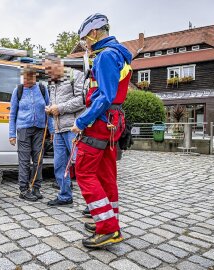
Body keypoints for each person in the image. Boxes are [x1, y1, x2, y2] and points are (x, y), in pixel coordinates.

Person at [71, 13, 133, 248]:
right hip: (112, 122)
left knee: (84, 171)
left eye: (85, 39)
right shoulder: (118, 53)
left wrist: (81, 121)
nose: (85, 44)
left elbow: (104, 96)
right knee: (107, 174)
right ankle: (109, 219)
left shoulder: (105, 56)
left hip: (99, 121)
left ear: (94, 33)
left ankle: (107, 229)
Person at [43, 54, 85, 206]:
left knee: (81, 165)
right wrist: (51, 111)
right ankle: (65, 196)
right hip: (59, 130)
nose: (47, 72)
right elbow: (55, 106)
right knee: (59, 165)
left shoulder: (75, 76)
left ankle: (91, 202)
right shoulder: (52, 83)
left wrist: (59, 108)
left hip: (73, 128)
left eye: (49, 68)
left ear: (59, 64)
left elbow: (83, 99)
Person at [9, 62, 54, 201]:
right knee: (24, 161)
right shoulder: (18, 90)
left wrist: (52, 130)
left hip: (39, 130)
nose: (27, 82)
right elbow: (12, 114)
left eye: (30, 79)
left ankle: (36, 187)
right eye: (25, 79)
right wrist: (11, 134)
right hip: (23, 129)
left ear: (35, 77)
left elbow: (49, 110)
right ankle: (23, 190)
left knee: (38, 160)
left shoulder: (42, 88)